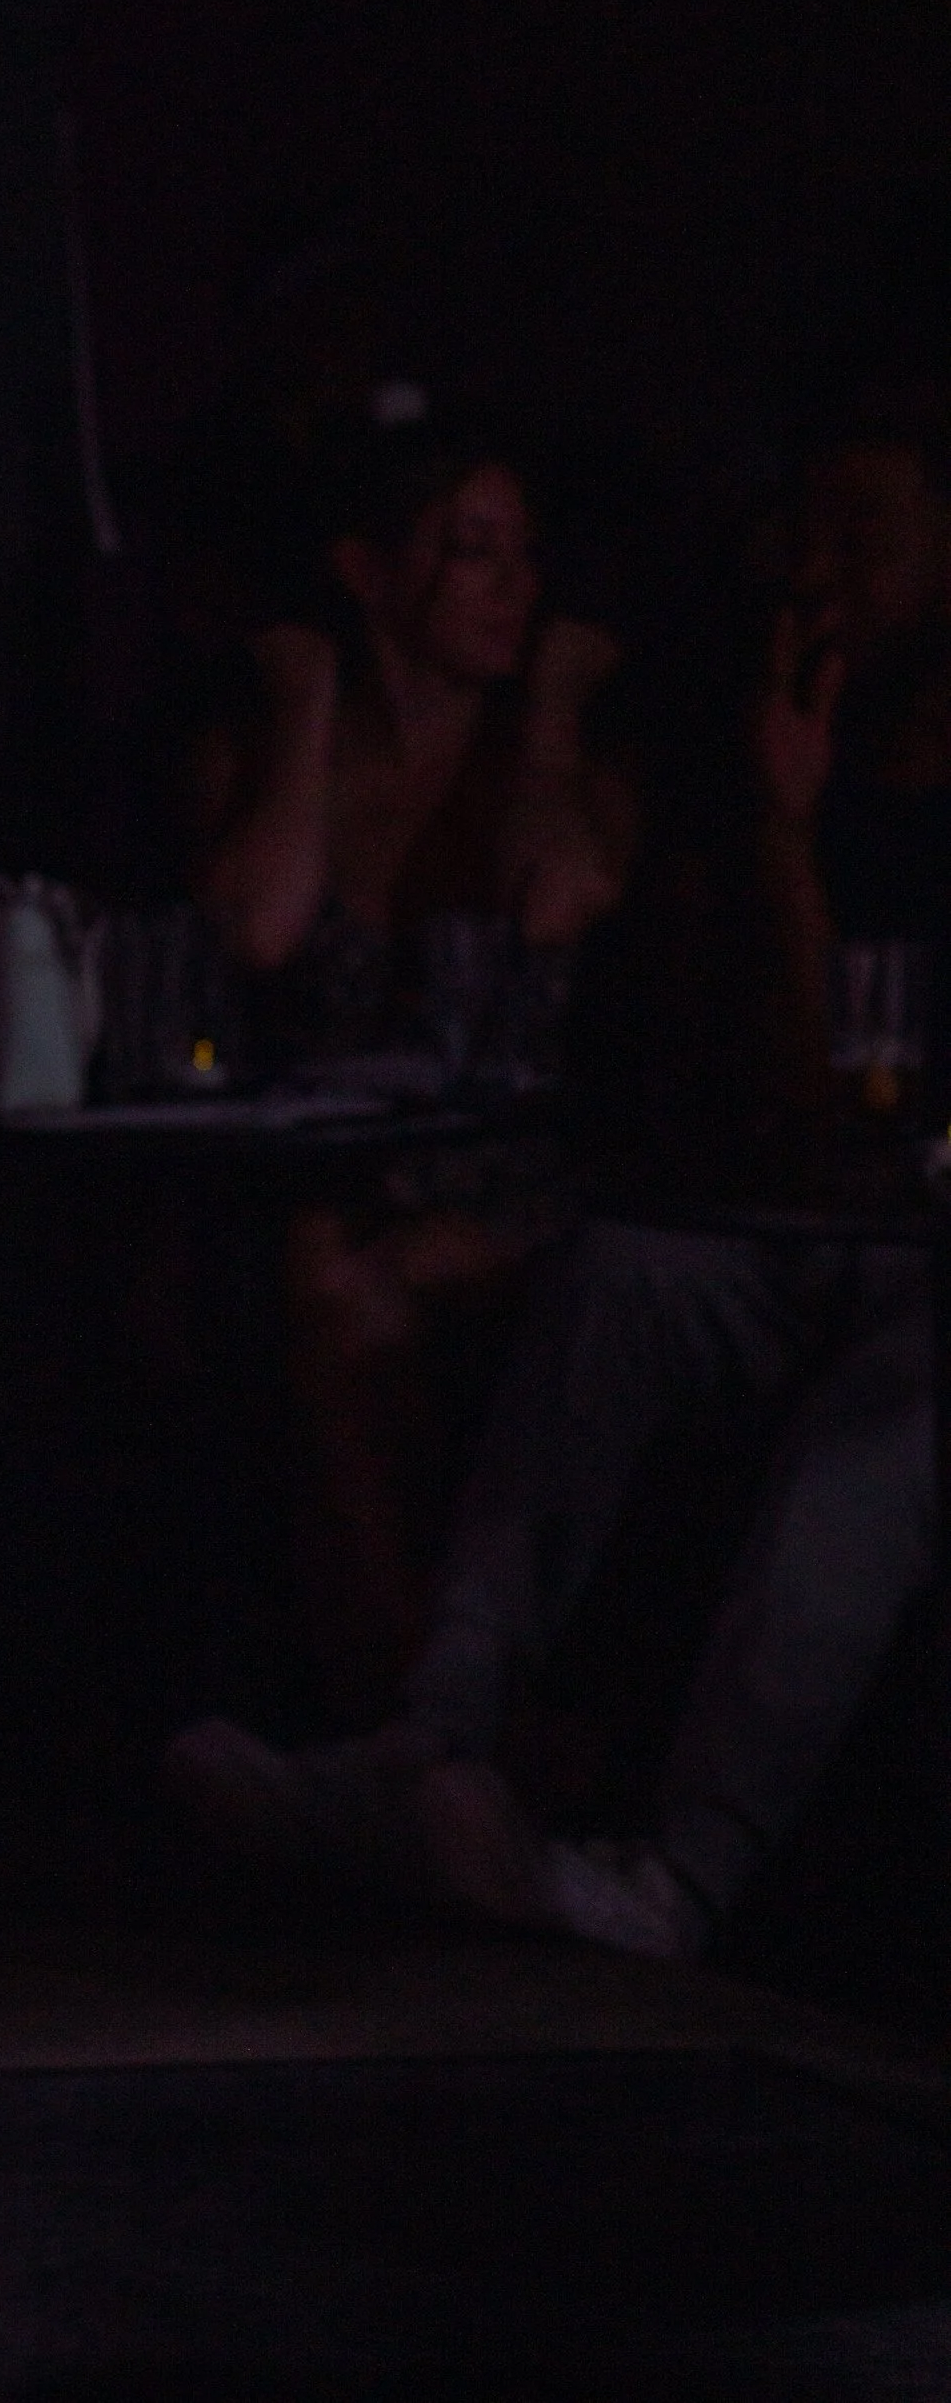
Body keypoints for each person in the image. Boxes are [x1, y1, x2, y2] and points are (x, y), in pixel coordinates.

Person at [172, 416, 951, 1958]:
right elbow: (814, 1081)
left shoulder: (584, 752)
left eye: (860, 537)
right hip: (821, 1218)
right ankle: (430, 1736)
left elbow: (562, 914)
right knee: (620, 1275)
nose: (814, 574)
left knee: (897, 1395)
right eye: (804, 532)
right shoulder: (828, 744)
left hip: (754, 1222)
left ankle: (673, 1875)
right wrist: (790, 828)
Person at [188, 422, 633, 1703]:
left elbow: (552, 898)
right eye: (471, 555)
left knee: (340, 1281)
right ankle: (401, 1711)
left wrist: (548, 705)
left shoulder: (559, 764)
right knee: (310, 1258)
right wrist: (311, 702)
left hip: (524, 1181)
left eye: (524, 558)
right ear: (371, 574)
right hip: (321, 1176)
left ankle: (401, 1711)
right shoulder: (279, 747)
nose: (516, 588)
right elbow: (259, 928)